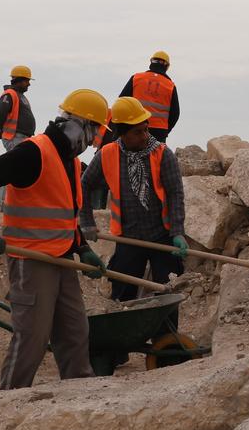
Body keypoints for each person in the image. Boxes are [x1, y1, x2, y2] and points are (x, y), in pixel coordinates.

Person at [0, 88, 110, 389]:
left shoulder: (69, 160)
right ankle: (9, 398)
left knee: (74, 331)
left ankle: (79, 391)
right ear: (78, 125)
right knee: (32, 337)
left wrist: (82, 248)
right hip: (32, 259)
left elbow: (63, 212)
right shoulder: (33, 153)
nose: (92, 141)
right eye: (93, 132)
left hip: (62, 257)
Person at [79, 97, 186, 301]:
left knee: (168, 292)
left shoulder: (163, 154)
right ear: (122, 133)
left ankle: (165, 323)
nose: (145, 136)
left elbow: (175, 193)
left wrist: (178, 231)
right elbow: (84, 184)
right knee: (122, 294)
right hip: (128, 236)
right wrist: (87, 222)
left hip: (162, 235)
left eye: (146, 129)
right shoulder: (107, 154)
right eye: (137, 132)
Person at [120, 51, 179, 142]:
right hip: (159, 132)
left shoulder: (136, 78)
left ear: (151, 63)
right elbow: (175, 114)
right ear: (167, 66)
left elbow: (122, 102)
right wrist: (165, 131)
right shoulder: (170, 86)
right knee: (156, 152)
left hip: (135, 127)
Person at [0, 65, 36, 150]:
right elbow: (0, 115)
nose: (29, 84)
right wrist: (4, 130)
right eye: (26, 81)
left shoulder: (20, 96)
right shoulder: (9, 94)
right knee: (20, 158)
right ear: (18, 80)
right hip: (15, 137)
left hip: (22, 137)